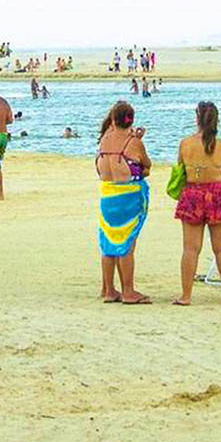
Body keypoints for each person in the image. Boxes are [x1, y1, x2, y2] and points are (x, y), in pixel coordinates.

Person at [173, 102, 221, 306]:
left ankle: (186, 296)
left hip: (192, 193)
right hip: (216, 193)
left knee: (190, 248)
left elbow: (180, 167)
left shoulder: (185, 144)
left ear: (197, 119)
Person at [95, 101, 152, 304]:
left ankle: (109, 290)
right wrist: (136, 141)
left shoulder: (103, 140)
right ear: (131, 120)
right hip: (129, 195)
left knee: (108, 241)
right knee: (127, 243)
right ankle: (128, 291)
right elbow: (147, 164)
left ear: (112, 119)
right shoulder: (133, 143)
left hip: (108, 194)